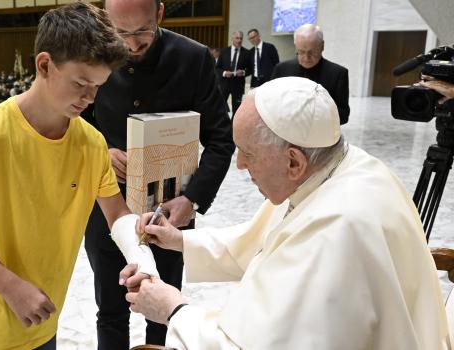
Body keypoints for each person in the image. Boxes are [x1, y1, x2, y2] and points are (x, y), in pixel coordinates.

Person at [123, 77, 450, 349]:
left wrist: (172, 308)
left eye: (247, 153)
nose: (239, 165)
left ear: (294, 161)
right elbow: (265, 241)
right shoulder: (340, 167)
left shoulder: (337, 228)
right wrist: (180, 240)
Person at [0, 4, 158, 350]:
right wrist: (11, 286)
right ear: (44, 65)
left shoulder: (91, 142)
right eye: (81, 83)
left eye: (98, 86)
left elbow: (117, 215)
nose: (89, 98)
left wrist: (142, 260)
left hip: (44, 315)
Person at [82, 0, 235, 348]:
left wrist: (192, 198)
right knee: (110, 309)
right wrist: (101, 152)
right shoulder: (93, 55)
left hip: (168, 210)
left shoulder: (193, 58)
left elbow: (221, 139)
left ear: (160, 14)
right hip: (107, 205)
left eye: (142, 32)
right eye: (122, 34)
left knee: (164, 310)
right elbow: (76, 122)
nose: (133, 46)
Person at [271, 24, 350, 124]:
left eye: (312, 52)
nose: (306, 57)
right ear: (295, 46)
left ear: (322, 46)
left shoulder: (338, 74)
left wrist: (313, 113)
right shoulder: (281, 70)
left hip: (320, 135)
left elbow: (343, 115)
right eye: (301, 52)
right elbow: (271, 105)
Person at [216, 31, 250, 117]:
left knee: (237, 109)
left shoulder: (246, 53)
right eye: (237, 38)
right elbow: (217, 68)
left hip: (238, 85)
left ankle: (233, 128)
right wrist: (224, 73)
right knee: (220, 108)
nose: (239, 40)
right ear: (232, 39)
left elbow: (251, 69)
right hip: (224, 84)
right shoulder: (224, 51)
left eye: (241, 38)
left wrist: (243, 72)